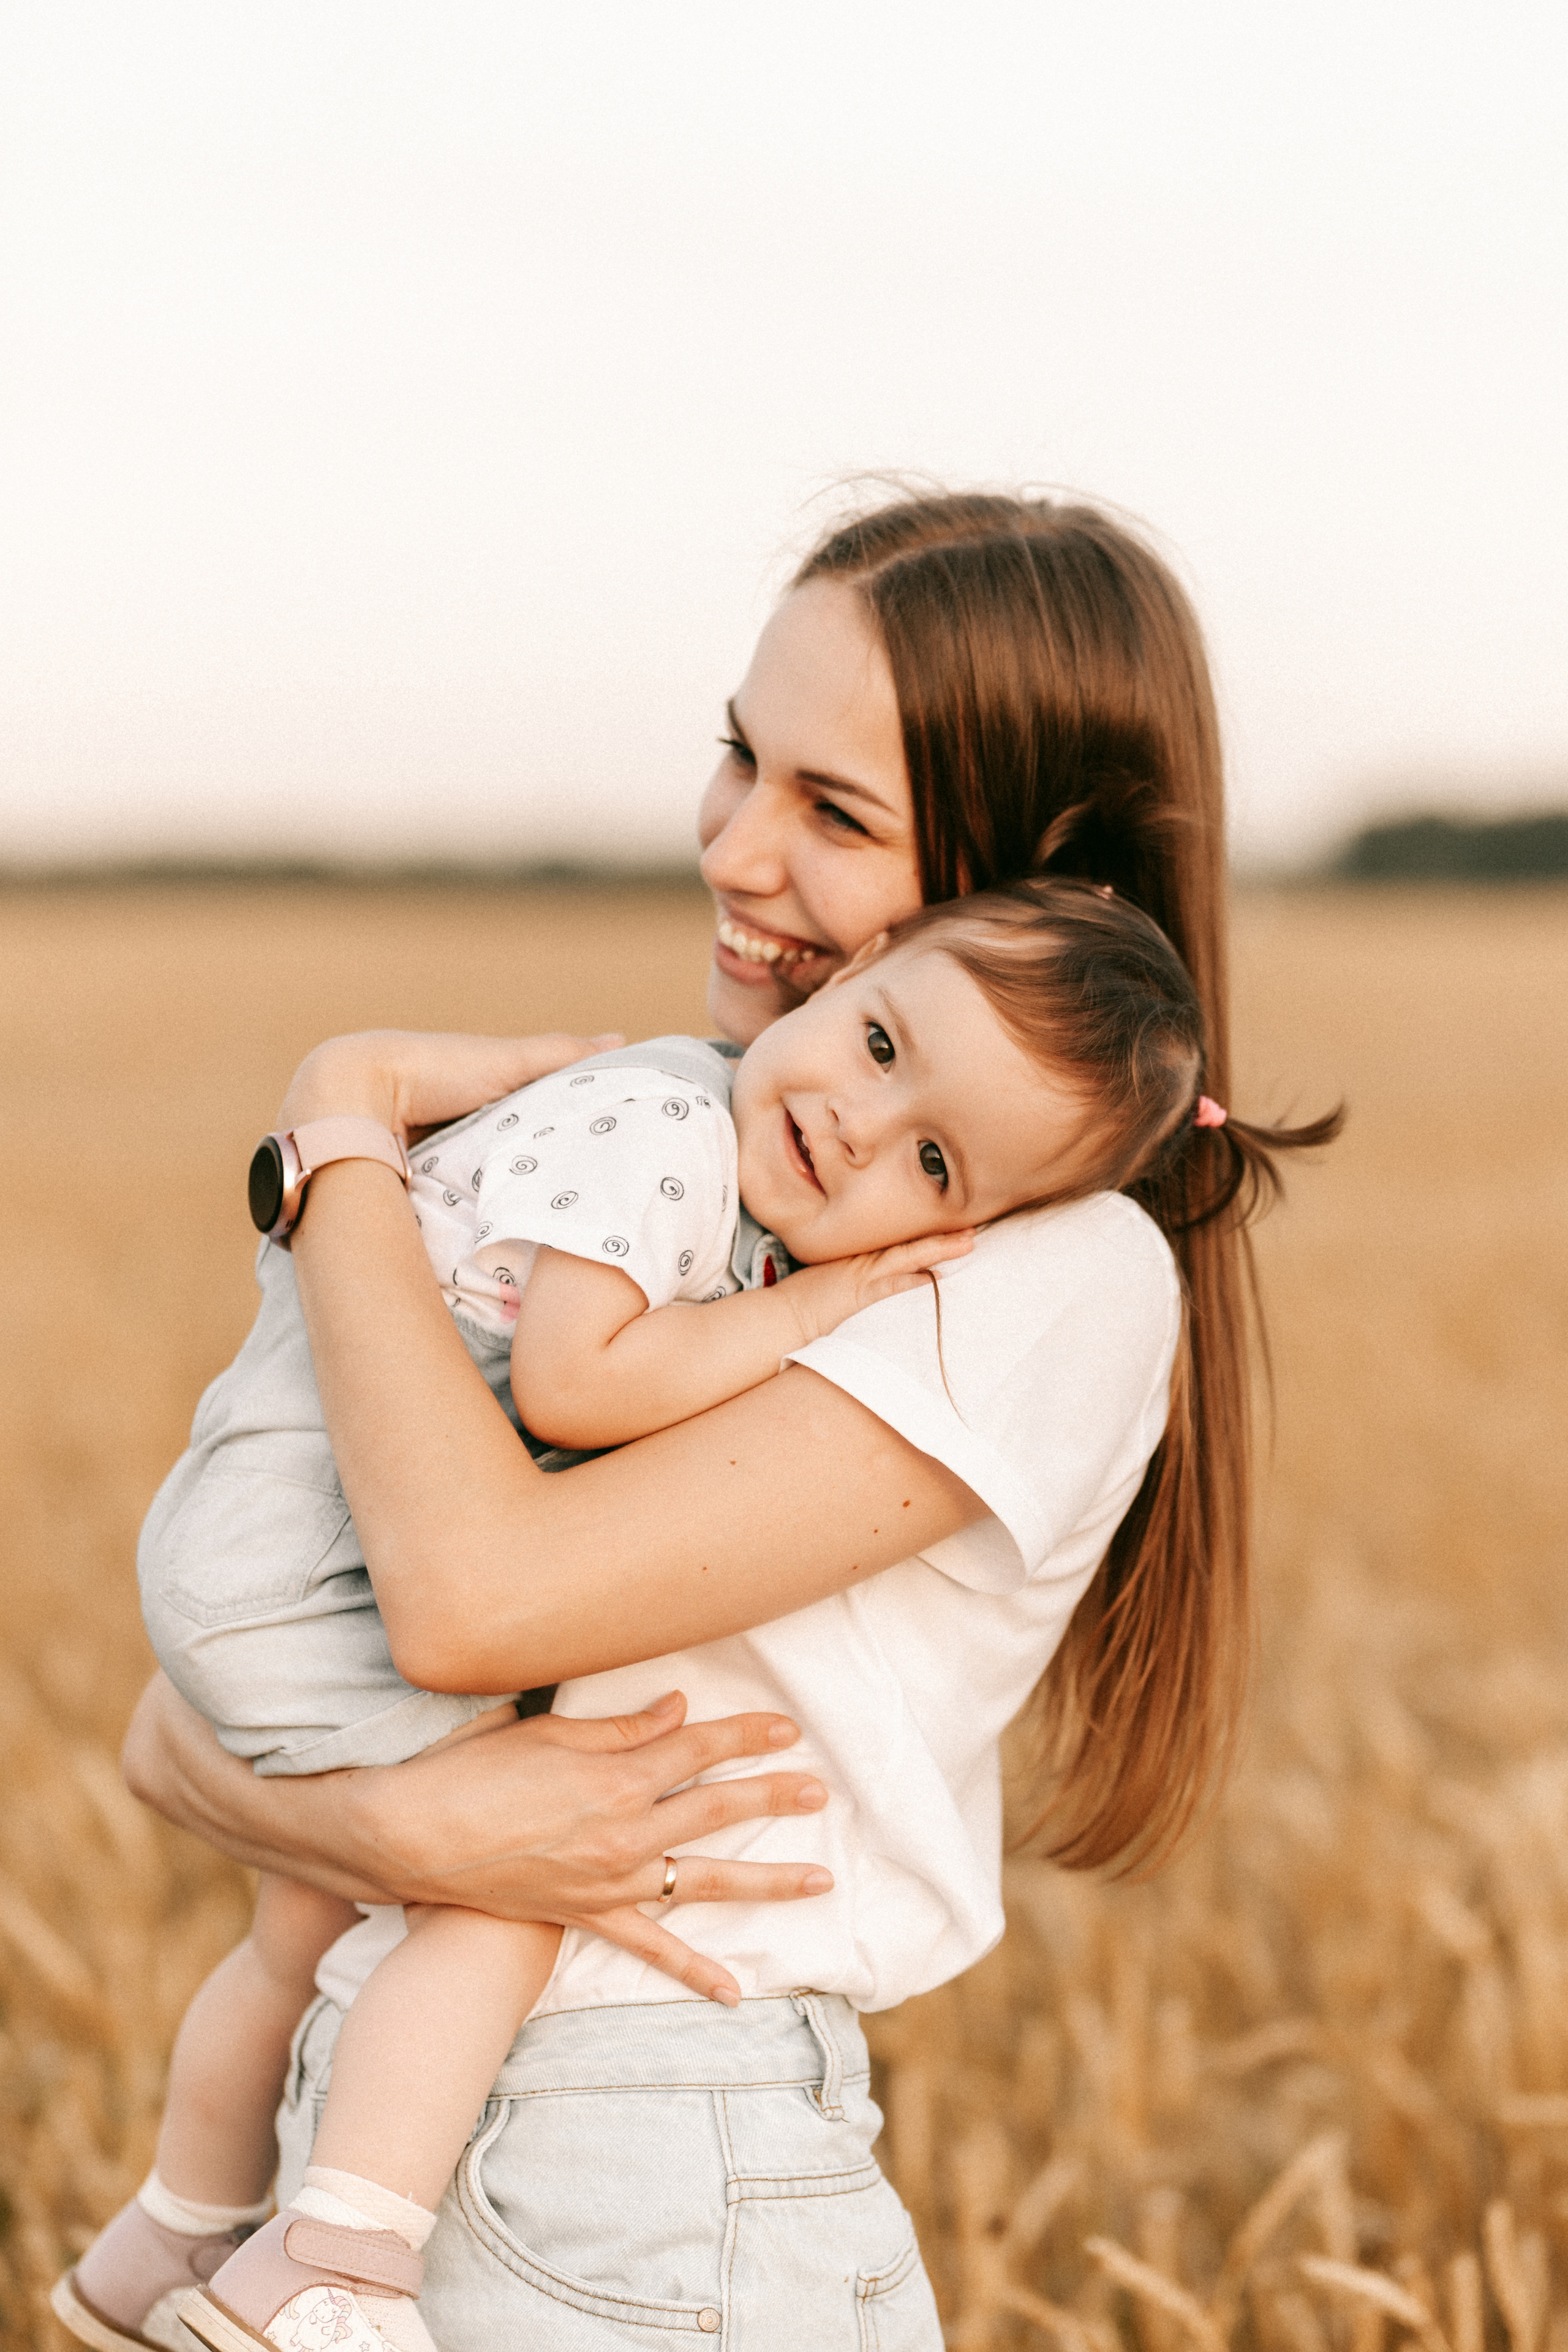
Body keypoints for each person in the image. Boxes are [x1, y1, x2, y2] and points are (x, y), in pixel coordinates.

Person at [110, 492, 1336, 2348]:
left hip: (647, 2187)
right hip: (392, 2119)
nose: (736, 847)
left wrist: (339, 1131)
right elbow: (181, 1722)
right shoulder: (733, 1165)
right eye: (742, 758)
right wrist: (425, 1844)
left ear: (1042, 871)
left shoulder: (1036, 1265)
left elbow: (459, 1606)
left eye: (836, 813)